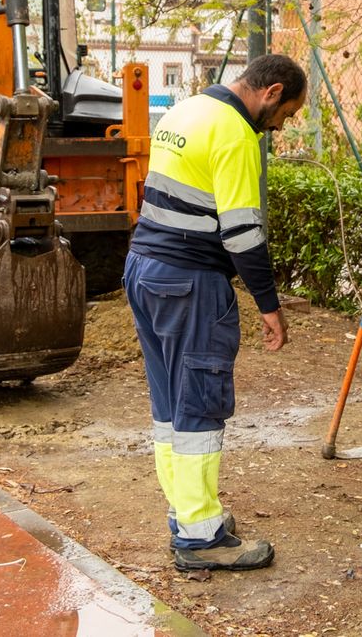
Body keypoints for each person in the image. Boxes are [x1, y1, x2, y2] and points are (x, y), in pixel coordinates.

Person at [124, 54, 306, 572]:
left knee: (169, 405)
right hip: (190, 282)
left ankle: (187, 514)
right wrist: (268, 305)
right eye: (285, 114)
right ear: (271, 92)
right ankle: (201, 537)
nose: (279, 126)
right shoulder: (235, 132)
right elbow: (243, 233)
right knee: (200, 403)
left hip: (145, 269)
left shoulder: (186, 110)